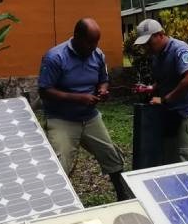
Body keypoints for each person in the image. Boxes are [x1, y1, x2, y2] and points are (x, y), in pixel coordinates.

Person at [38, 18, 131, 201]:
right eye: (90, 41)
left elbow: (103, 79)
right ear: (77, 37)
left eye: (97, 41)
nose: (94, 46)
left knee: (112, 156)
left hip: (89, 117)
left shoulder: (97, 54)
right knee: (59, 164)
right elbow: (44, 91)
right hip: (61, 118)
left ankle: (124, 197)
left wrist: (103, 90)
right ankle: (58, 203)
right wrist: (77, 98)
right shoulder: (55, 57)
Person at [133, 18, 188, 163]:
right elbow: (164, 78)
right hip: (169, 113)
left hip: (187, 113)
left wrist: (165, 99)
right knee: (170, 161)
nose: (147, 48)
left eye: (149, 43)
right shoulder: (157, 55)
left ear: (160, 34)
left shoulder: (179, 49)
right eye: (144, 45)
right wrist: (152, 88)